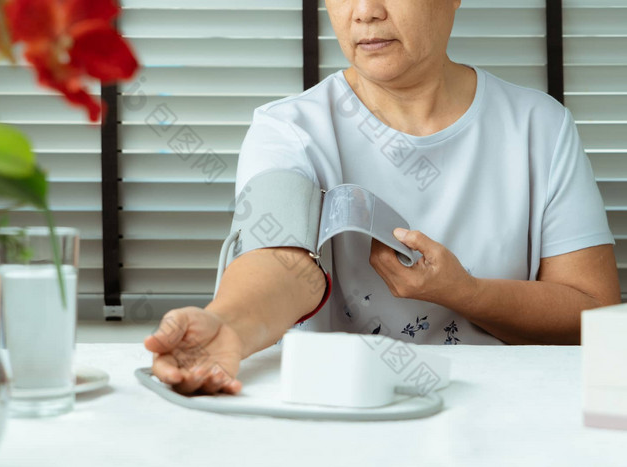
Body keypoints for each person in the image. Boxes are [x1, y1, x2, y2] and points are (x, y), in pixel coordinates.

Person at [144, 0, 621, 395]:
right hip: (345, 409)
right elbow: (280, 263)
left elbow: (591, 314)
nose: (365, 12)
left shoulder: (540, 126)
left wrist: (466, 293)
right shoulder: (289, 130)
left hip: (501, 408)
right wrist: (228, 324)